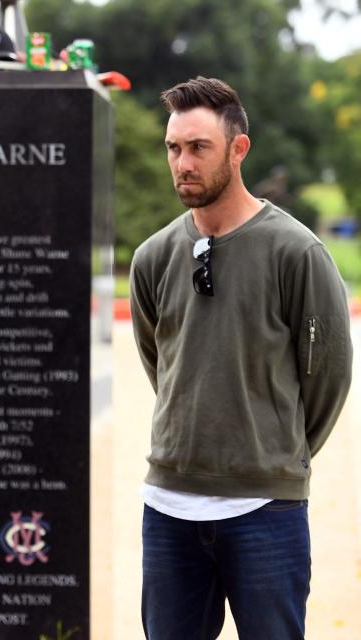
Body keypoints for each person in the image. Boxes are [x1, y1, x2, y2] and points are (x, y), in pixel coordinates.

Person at [129, 76, 353, 639]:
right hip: (169, 507)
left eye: (199, 147)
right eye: (174, 148)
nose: (183, 163)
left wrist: (277, 453)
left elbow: (327, 374)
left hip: (266, 510)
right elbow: (161, 363)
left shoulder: (297, 252)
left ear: (238, 148)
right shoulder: (152, 257)